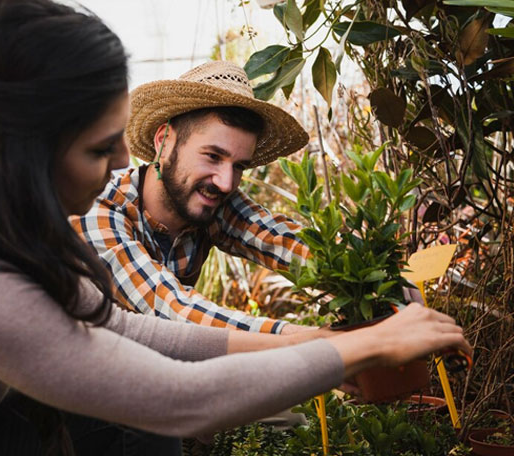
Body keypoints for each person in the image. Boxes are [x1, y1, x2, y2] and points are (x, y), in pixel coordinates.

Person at [0, 1, 471, 456]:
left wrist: (368, 304)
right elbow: (174, 395)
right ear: (24, 145)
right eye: (97, 147)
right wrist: (360, 347)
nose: (116, 163)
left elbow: (128, 331)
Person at [72, 60, 333, 338]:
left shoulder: (213, 200)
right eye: (212, 156)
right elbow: (171, 308)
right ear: (164, 141)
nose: (225, 182)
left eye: (239, 166)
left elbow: (282, 241)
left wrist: (367, 272)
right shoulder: (99, 208)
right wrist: (308, 339)